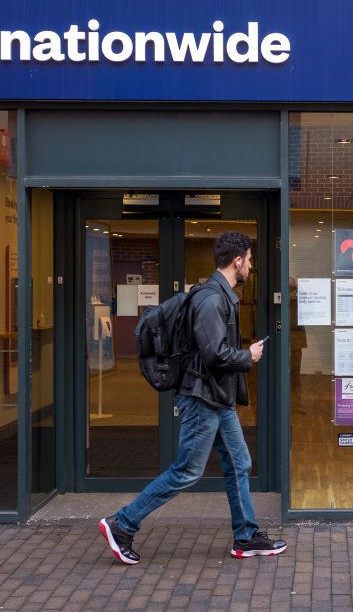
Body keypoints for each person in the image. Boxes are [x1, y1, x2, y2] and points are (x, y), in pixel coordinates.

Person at [100, 231, 286, 565]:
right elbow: (214, 354)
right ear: (237, 260)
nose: (252, 266)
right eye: (250, 259)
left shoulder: (216, 294)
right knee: (186, 470)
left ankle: (245, 537)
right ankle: (122, 524)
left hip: (216, 397)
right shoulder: (212, 299)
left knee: (239, 462)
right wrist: (248, 356)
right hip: (202, 399)